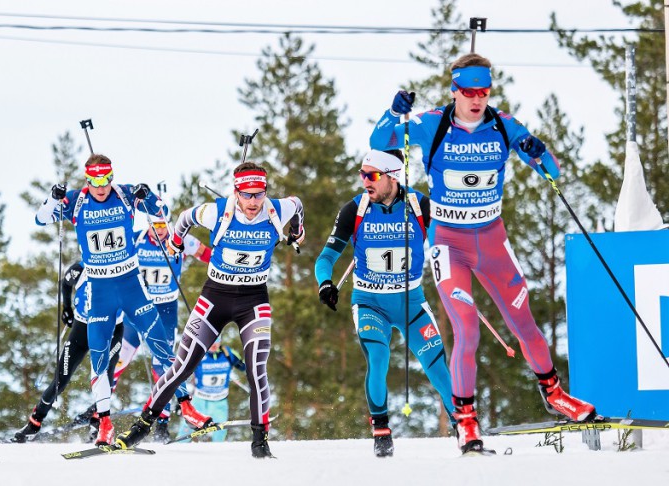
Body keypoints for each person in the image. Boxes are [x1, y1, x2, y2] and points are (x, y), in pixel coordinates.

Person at [369, 53, 597, 455]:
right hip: (449, 244)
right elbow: (378, 144)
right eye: (469, 91)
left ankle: (555, 394)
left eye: (484, 91)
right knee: (468, 329)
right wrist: (393, 112)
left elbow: (554, 172)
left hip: (492, 241)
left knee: (524, 322)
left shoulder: (504, 125)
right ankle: (467, 421)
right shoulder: (430, 124)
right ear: (454, 90)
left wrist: (538, 151)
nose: (477, 98)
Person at [115, 161, 305, 458]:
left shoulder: (278, 208)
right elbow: (183, 218)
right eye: (247, 194)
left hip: (254, 300)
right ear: (236, 192)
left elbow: (298, 205)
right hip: (215, 297)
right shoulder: (217, 211)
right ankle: (142, 426)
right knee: (181, 367)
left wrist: (297, 231)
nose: (253, 202)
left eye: (259, 194)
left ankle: (260, 443)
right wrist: (176, 244)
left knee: (257, 370)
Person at [34, 153, 187, 446]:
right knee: (100, 361)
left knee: (161, 349)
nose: (101, 187)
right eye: (94, 181)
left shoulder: (126, 194)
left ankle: (178, 408)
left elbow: (161, 212)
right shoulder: (77, 201)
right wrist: (54, 198)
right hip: (101, 293)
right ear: (87, 179)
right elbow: (41, 219)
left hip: (130, 285)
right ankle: (103, 423)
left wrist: (150, 196)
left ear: (112, 177)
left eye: (105, 179)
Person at [314, 150, 457, 457]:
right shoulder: (355, 209)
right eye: (362, 174)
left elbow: (448, 244)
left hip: (411, 303)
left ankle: (464, 425)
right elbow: (327, 257)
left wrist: (455, 270)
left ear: (392, 176)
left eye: (372, 176)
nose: (365, 181)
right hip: (369, 302)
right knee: (378, 357)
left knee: (437, 366)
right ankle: (381, 430)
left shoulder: (420, 206)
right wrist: (325, 283)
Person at [110, 210, 211, 440]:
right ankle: (98, 417)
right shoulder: (134, 239)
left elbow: (208, 255)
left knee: (163, 367)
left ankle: (162, 423)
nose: (160, 229)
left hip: (165, 311)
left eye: (164, 224)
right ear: (147, 223)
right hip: (137, 309)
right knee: (118, 361)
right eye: (155, 224)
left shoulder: (181, 238)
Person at [10, 261, 124, 444]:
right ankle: (34, 424)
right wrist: (66, 308)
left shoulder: (117, 269)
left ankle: (98, 422)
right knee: (60, 380)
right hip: (82, 329)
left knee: (106, 375)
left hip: (111, 331)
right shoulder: (79, 269)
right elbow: (65, 283)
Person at [175, 338, 245, 442]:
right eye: (211, 342)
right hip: (200, 400)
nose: (214, 345)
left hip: (219, 401)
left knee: (220, 431)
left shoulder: (228, 353)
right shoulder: (199, 354)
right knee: (188, 427)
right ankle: (178, 449)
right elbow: (184, 373)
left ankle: (217, 454)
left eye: (217, 342)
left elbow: (245, 368)